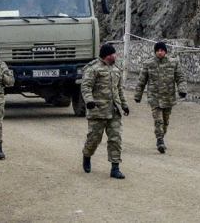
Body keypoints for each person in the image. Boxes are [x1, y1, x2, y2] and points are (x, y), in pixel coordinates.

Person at [80, 43, 129, 179]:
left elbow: (119, 89)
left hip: (114, 111)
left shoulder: (116, 70)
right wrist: (89, 101)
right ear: (108, 55)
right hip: (97, 110)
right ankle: (87, 155)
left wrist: (124, 105)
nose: (116, 56)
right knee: (94, 139)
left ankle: (115, 168)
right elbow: (86, 87)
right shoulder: (93, 69)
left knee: (115, 139)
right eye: (114, 54)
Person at [134, 41, 187, 154]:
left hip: (168, 98)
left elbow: (180, 78)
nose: (159, 52)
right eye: (157, 50)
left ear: (165, 51)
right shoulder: (149, 64)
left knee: (165, 122)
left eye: (162, 50)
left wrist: (182, 90)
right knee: (159, 121)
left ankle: (161, 137)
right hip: (155, 98)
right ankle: (160, 141)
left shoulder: (173, 63)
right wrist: (138, 95)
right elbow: (141, 81)